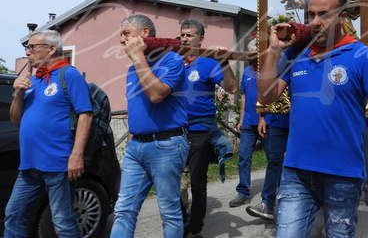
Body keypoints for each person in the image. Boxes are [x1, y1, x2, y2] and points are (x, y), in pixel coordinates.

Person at [258, 0, 368, 237]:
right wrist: (274, 51)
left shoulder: (361, 55)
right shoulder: (295, 53)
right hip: (296, 170)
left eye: (324, 14)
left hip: (342, 173)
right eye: (311, 15)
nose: (315, 22)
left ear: (342, 17)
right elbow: (265, 96)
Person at [5, 30, 93, 238]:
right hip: (29, 165)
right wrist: (18, 94)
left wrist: (76, 155)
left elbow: (86, 115)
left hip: (58, 164)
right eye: (27, 48)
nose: (28, 53)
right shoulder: (33, 80)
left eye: (32, 47)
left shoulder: (69, 74)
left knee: (63, 222)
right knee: (14, 215)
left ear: (52, 48)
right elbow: (16, 119)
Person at [111, 15, 189, 238]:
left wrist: (138, 58)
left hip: (166, 144)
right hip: (136, 147)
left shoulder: (172, 60)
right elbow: (136, 108)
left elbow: (156, 95)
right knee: (123, 209)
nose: (121, 40)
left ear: (144, 33)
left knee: (168, 211)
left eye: (126, 34)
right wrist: (130, 142)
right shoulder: (131, 69)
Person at [180, 19, 238, 238]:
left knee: (197, 183)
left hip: (200, 132)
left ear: (201, 39)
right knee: (171, 182)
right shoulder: (175, 61)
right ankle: (182, 219)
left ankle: (195, 230)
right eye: (183, 34)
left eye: (190, 35)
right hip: (176, 132)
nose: (185, 38)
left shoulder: (209, 63)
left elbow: (232, 88)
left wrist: (224, 62)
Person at [229, 39, 266, 208]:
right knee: (244, 158)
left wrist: (262, 117)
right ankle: (243, 192)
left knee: (273, 158)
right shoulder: (246, 72)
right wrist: (241, 119)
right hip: (249, 122)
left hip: (266, 122)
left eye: (253, 54)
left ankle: (273, 192)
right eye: (249, 54)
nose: (250, 57)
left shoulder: (269, 71)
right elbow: (243, 96)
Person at [245, 112, 289, 220]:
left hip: (303, 121)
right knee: (274, 162)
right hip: (278, 121)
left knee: (299, 165)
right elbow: (265, 96)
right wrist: (262, 118)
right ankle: (267, 204)